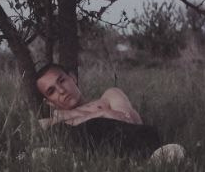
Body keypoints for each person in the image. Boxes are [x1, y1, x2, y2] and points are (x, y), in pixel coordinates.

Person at [34, 62, 184, 162]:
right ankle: (70, 162)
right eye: (52, 91)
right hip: (92, 155)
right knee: (62, 131)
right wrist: (101, 114)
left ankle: (155, 158)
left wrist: (86, 118)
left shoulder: (109, 96)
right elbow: (36, 129)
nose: (61, 90)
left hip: (129, 141)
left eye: (62, 81)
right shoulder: (56, 120)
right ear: (48, 102)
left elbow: (130, 120)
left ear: (73, 78)